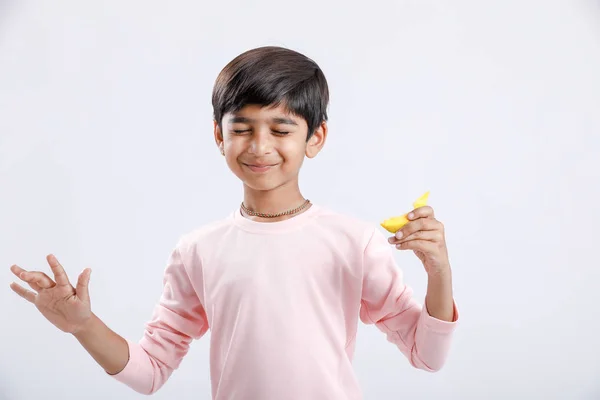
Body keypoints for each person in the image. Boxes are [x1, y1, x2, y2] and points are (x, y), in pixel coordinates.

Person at [9, 46, 459, 399]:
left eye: (281, 130)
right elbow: (149, 373)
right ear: (218, 135)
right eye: (242, 128)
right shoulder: (198, 251)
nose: (259, 146)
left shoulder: (353, 242)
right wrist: (83, 325)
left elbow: (427, 355)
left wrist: (438, 271)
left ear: (315, 137)